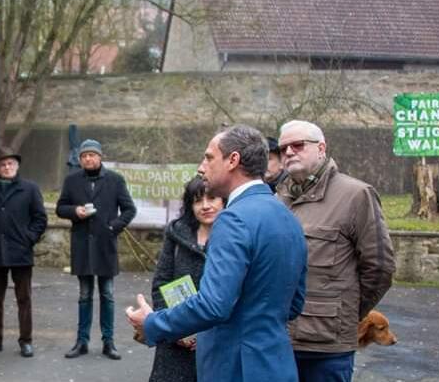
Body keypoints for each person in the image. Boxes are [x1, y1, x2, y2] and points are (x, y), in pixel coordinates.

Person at [126, 125, 307, 382]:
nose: (202, 167)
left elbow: (213, 305)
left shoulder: (233, 219)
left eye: (209, 157)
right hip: (277, 365)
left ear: (233, 160)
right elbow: (295, 303)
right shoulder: (288, 218)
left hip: (235, 368)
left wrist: (153, 323)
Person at [275, 120, 396, 382]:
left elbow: (380, 268)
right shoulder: (276, 199)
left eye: (297, 145)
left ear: (321, 148)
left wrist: (348, 312)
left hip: (325, 347)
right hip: (277, 340)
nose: (288, 152)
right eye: (283, 148)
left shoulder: (356, 195)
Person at [56, 139, 137, 360]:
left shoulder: (115, 180)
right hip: (82, 246)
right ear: (80, 160)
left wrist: (113, 227)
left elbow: (130, 210)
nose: (88, 159)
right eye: (84, 156)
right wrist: (75, 211)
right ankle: (81, 342)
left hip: (105, 246)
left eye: (92, 155)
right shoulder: (72, 181)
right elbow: (60, 208)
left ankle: (108, 342)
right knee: (84, 295)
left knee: (107, 295)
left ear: (100, 157)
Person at [148, 177, 225, 382]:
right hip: (174, 343)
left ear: (224, 200)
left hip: (215, 345)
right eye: (197, 200)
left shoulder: (233, 238)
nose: (205, 206)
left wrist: (204, 335)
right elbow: (161, 283)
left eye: (212, 198)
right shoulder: (176, 234)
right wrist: (177, 329)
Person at [0, 149, 47, 358]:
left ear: (17, 166)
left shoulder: (30, 189)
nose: (7, 167)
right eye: (2, 165)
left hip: (21, 252)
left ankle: (26, 341)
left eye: (10, 164)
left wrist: (28, 238)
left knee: (24, 298)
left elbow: (40, 218)